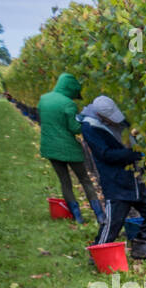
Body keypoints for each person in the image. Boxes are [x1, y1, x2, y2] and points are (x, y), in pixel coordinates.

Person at [79, 95, 146, 257]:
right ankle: (96, 254)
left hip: (137, 178)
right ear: (100, 116)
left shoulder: (120, 121)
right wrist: (133, 154)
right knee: (113, 223)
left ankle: (140, 246)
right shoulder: (89, 127)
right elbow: (105, 155)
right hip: (116, 182)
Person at [36, 73, 103, 224]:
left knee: (65, 182)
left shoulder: (43, 99)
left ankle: (77, 216)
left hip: (50, 147)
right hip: (69, 149)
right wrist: (87, 123)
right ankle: (100, 215)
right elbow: (74, 128)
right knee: (85, 180)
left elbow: (43, 119)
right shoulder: (68, 104)